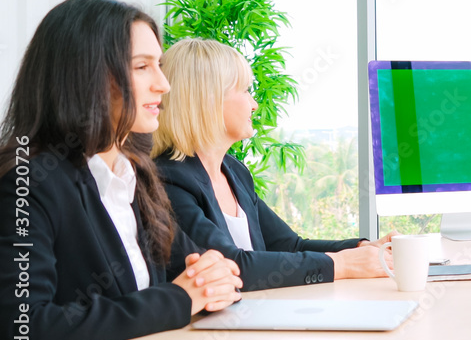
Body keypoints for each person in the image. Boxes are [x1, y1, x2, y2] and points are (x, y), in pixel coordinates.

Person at [0, 0, 243, 340]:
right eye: (143, 67)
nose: (163, 84)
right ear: (88, 75)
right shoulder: (27, 183)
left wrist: (214, 275)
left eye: (158, 66)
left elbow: (201, 268)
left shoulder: (136, 179)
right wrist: (179, 299)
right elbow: (22, 330)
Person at [152, 38, 393, 291]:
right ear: (208, 100)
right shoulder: (168, 180)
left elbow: (290, 246)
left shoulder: (234, 171)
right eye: (245, 91)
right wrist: (341, 265)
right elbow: (231, 266)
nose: (254, 104)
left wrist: (362, 249)